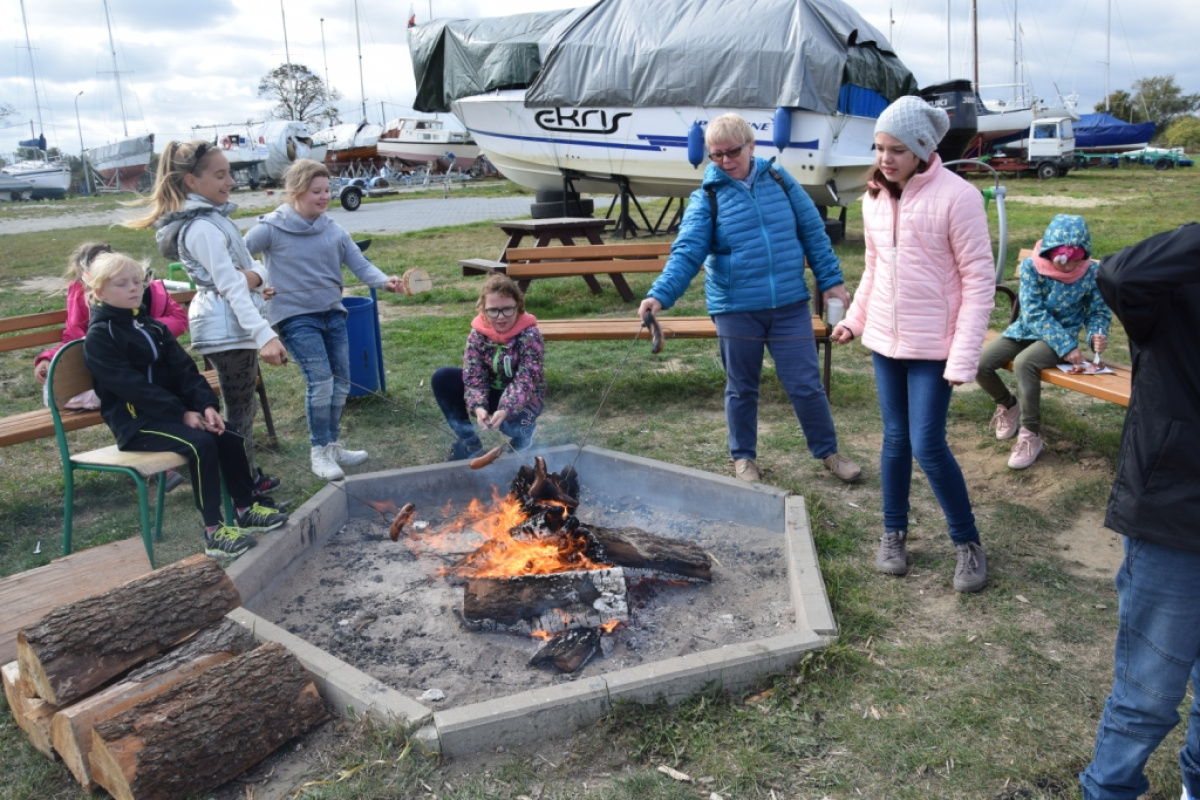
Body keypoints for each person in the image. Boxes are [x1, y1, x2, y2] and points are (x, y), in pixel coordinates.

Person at [636, 112, 860, 485]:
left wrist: (831, 281)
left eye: (732, 152)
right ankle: (744, 458)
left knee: (806, 384)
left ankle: (829, 452)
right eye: (716, 154)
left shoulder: (780, 180)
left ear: (751, 146)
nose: (725, 161)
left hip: (788, 303)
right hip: (736, 308)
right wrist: (659, 294)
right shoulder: (707, 197)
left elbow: (812, 232)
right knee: (741, 388)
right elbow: (687, 252)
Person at [830, 96, 995, 593]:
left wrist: (963, 356)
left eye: (897, 150)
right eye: (879, 148)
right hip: (886, 343)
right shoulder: (874, 198)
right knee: (895, 440)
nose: (885, 158)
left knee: (927, 443)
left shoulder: (959, 197)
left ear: (922, 149)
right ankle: (893, 533)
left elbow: (979, 283)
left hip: (934, 348)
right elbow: (874, 271)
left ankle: (967, 542)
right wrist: (855, 321)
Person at [1079, 222, 1200, 800]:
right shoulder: (1175, 281)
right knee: (1147, 697)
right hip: (1176, 519)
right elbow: (1120, 275)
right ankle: (1109, 791)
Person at [80, 252, 288, 558]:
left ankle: (246, 508)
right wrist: (180, 413)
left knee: (227, 432)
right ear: (100, 293)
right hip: (137, 425)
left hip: (174, 416)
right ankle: (213, 531)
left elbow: (184, 371)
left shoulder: (152, 327)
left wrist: (205, 406)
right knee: (200, 443)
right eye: (122, 284)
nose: (133, 288)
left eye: (137, 281)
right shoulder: (101, 337)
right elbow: (133, 388)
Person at [127, 140, 285, 499]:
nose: (230, 181)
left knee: (242, 409)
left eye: (229, 173)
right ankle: (241, 491)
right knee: (238, 414)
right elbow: (231, 286)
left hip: (232, 326)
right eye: (220, 175)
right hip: (226, 329)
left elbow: (252, 269)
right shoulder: (201, 227)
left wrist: (255, 276)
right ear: (191, 181)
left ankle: (244, 478)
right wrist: (264, 334)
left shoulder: (213, 219)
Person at [244, 159, 404, 481]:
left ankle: (333, 445)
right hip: (294, 316)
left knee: (341, 382)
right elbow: (237, 255)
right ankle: (319, 451)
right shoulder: (271, 228)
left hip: (333, 312)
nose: (324, 196)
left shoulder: (333, 229)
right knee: (321, 383)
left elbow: (360, 265)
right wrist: (257, 284)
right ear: (296, 191)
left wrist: (385, 281)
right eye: (316, 191)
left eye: (327, 190)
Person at [34, 241, 190, 492]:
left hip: (142, 374)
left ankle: (169, 453)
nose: (130, 285)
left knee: (147, 390)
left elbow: (178, 319)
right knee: (126, 394)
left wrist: (141, 334)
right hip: (107, 377)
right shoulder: (82, 296)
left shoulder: (147, 288)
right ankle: (161, 464)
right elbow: (73, 335)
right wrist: (48, 357)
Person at [976, 214, 1112, 469]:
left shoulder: (1090, 272)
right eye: (1064, 262)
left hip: (1062, 335)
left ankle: (1031, 434)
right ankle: (1008, 405)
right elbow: (1033, 312)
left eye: (1076, 261)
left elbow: (1097, 311)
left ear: (1085, 255)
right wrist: (1067, 347)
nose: (1070, 268)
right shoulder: (1032, 266)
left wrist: (1097, 333)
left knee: (1024, 363)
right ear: (1050, 253)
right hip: (1028, 329)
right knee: (980, 363)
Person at [432, 274, 545, 461]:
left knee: (510, 425)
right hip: (492, 391)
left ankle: (524, 434)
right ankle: (469, 443)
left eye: (507, 309)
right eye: (493, 310)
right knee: (443, 378)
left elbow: (526, 379)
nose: (500, 317)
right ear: (483, 310)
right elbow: (474, 375)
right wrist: (478, 406)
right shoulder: (478, 334)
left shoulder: (530, 335)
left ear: (518, 306)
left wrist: (506, 409)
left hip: (525, 397)